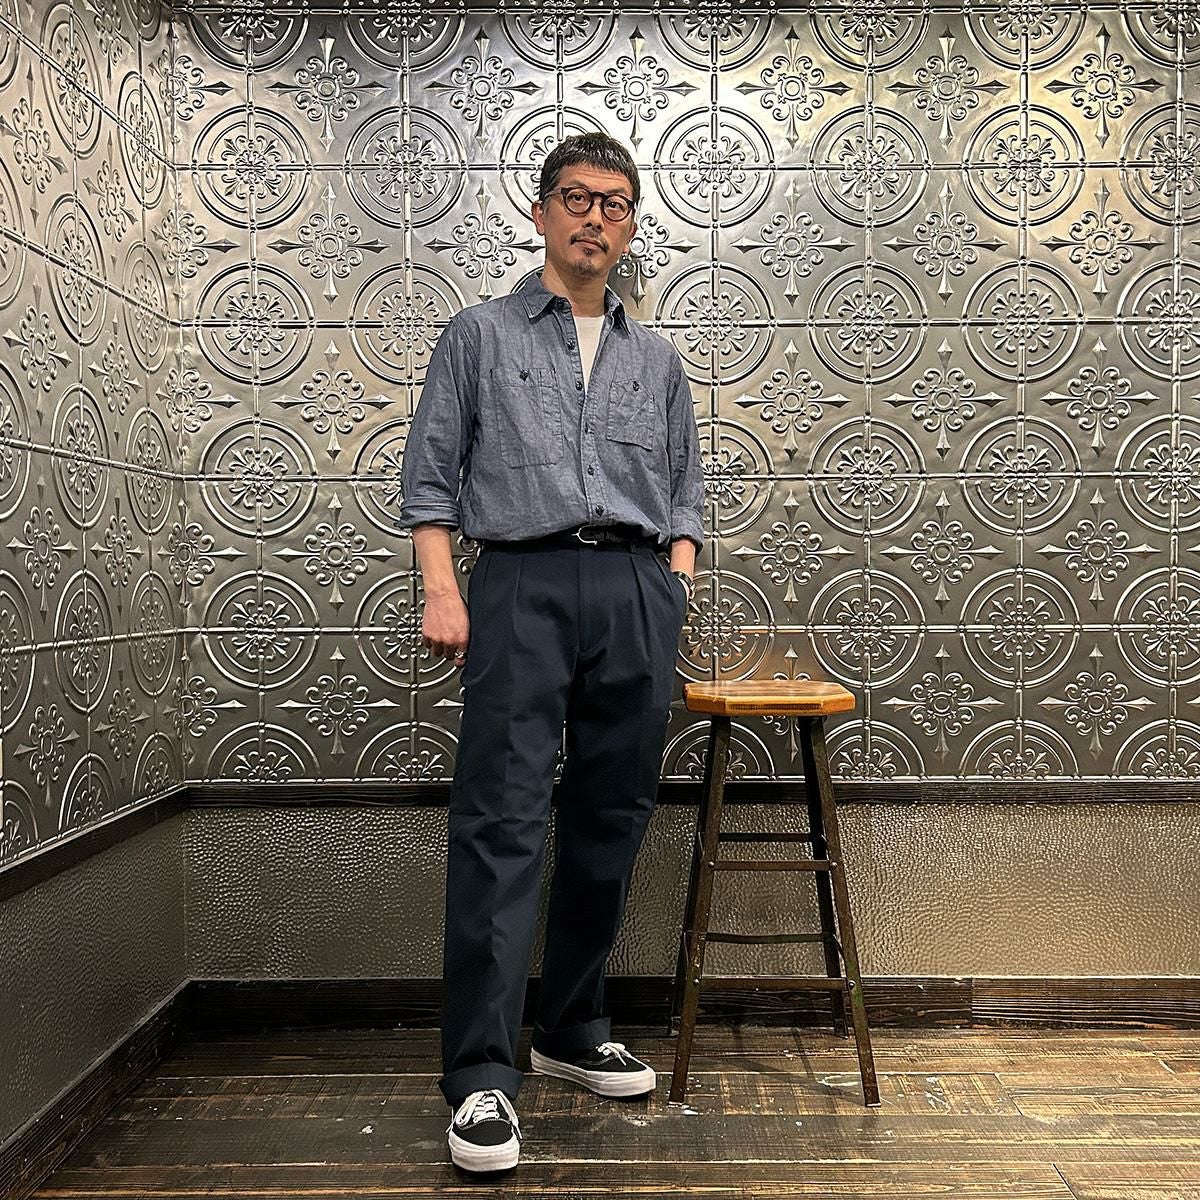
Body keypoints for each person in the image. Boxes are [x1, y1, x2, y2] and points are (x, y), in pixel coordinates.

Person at [397, 131, 704, 1174]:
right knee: (501, 821)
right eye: (577, 198)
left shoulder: (656, 359)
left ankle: (572, 1027)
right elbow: (431, 476)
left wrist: (675, 577)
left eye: (615, 204)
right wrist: (445, 588)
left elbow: (685, 487)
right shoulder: (479, 335)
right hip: (519, 584)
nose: (595, 218)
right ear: (540, 213)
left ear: (630, 226)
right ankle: (482, 1075)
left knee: (612, 815)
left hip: (634, 591)